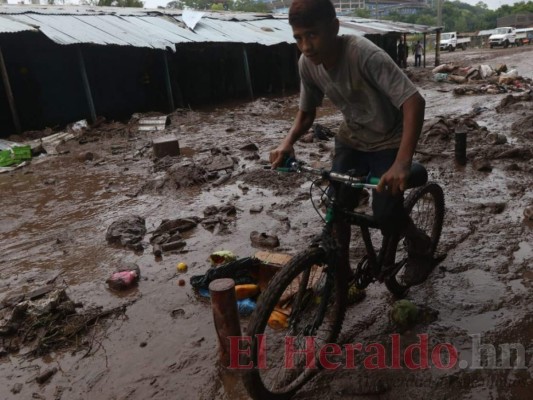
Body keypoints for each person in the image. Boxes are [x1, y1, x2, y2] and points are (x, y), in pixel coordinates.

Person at [269, 0, 432, 285]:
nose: (306, 46)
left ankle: (417, 242)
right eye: (298, 38)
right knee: (337, 206)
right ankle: (339, 268)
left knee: (385, 213)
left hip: (388, 139)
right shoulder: (307, 64)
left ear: (334, 27)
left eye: (312, 34)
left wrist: (402, 162)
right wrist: (287, 143)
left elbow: (414, 102)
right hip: (351, 138)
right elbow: (307, 113)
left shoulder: (364, 55)